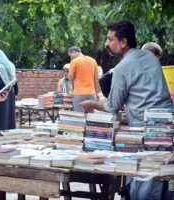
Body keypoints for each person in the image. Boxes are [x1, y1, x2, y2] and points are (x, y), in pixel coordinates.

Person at [79, 20, 173, 200]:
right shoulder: (150, 57)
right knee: (161, 180)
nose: (106, 44)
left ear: (123, 42)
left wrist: (91, 104)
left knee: (146, 184)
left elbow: (112, 106)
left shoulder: (122, 67)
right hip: (167, 126)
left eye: (110, 39)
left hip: (148, 132)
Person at [0, 49, 18, 131]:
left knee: (0, 118)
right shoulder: (11, 65)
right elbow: (15, 81)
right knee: (9, 116)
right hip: (10, 93)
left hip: (0, 96)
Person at [68, 46, 100, 112]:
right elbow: (96, 80)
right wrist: (97, 94)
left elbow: (70, 80)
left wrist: (70, 94)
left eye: (70, 55)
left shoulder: (74, 61)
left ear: (73, 52)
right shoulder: (93, 61)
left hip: (79, 93)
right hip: (91, 93)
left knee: (79, 117)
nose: (70, 58)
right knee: (91, 117)